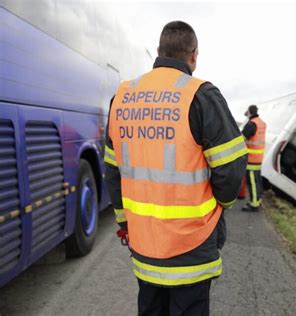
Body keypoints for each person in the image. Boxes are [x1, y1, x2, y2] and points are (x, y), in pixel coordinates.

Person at [104, 21, 247, 315]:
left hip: (144, 244)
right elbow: (231, 169)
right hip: (191, 245)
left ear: (158, 52)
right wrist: (223, 203)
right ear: (194, 55)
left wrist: (125, 225)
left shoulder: (122, 97)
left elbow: (113, 171)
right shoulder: (201, 95)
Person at [241, 105, 267, 212]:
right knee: (257, 181)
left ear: (249, 112)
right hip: (258, 157)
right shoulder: (261, 123)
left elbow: (241, 138)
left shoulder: (251, 124)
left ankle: (254, 204)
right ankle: (258, 200)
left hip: (251, 158)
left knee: (252, 182)